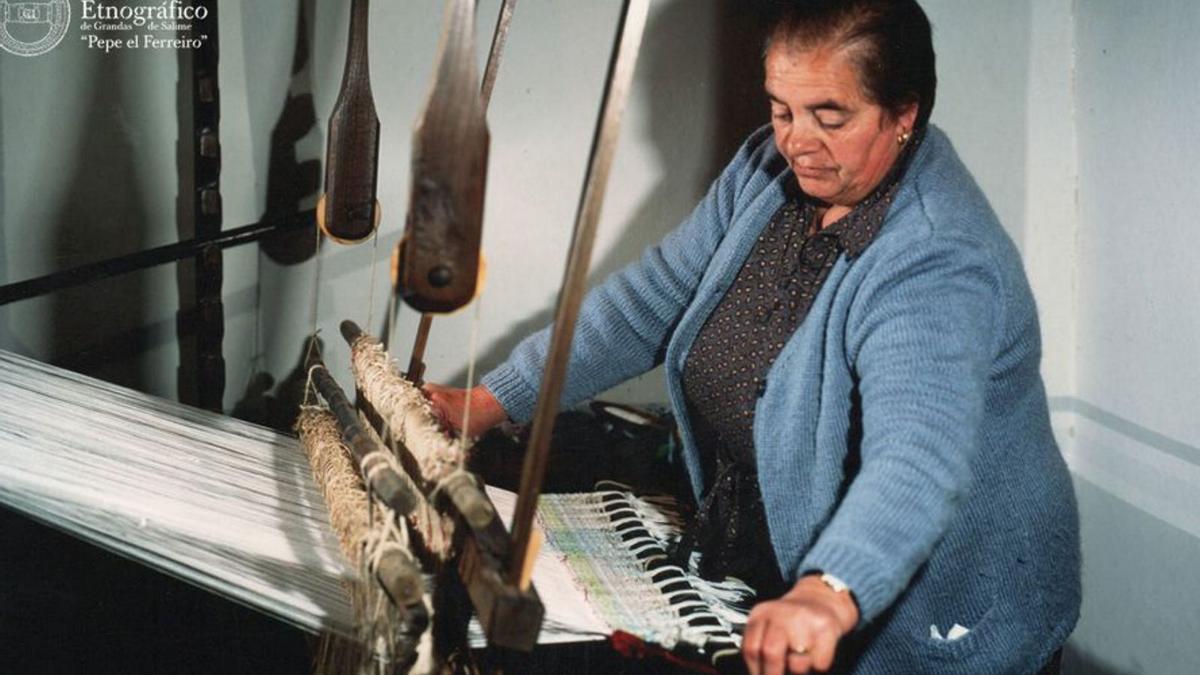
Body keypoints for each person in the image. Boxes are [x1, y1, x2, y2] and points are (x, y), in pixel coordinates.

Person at [425, 1, 1081, 672]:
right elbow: (647, 302)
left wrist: (830, 591)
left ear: (904, 113)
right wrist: (489, 401)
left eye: (831, 116)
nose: (797, 140)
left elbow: (916, 456)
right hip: (787, 569)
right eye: (782, 109)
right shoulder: (768, 170)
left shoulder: (936, 259)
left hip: (937, 607)